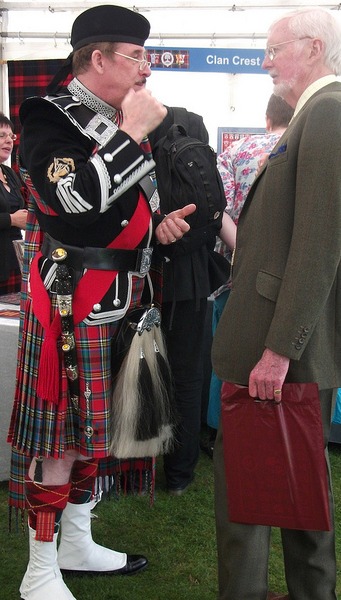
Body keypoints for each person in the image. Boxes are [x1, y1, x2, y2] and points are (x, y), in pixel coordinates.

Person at [7, 6, 196, 600]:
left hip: (124, 298)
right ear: (99, 58)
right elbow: (68, 199)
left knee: (101, 430)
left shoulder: (113, 118)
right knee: (60, 440)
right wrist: (134, 133)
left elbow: (116, 210)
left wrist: (155, 226)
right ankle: (39, 569)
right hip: (69, 303)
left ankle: (77, 542)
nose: (147, 68)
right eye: (138, 56)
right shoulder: (46, 119)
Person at [212, 7, 341, 600]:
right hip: (281, 346)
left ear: (312, 48)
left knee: (276, 502)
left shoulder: (327, 112)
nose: (264, 62)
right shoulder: (313, 113)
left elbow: (318, 246)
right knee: (286, 497)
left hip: (281, 352)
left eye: (272, 49)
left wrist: (277, 351)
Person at [149, 107, 236, 495]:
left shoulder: (130, 129)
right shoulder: (190, 122)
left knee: (143, 369)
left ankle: (139, 466)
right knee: (186, 374)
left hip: (152, 269)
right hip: (190, 272)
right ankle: (179, 474)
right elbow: (216, 212)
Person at [206, 94, 294, 438]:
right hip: (292, 277)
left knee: (226, 354)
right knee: (288, 356)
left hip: (237, 275)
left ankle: (221, 428)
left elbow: (218, 209)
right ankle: (281, 429)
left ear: (268, 117)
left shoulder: (236, 151)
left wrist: (242, 251)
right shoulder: (308, 147)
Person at [0, 112, 27, 296]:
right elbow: (14, 217)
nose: (9, 141)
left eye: (11, 136)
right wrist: (11, 219)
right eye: (1, 135)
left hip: (15, 263)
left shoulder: (9, 173)